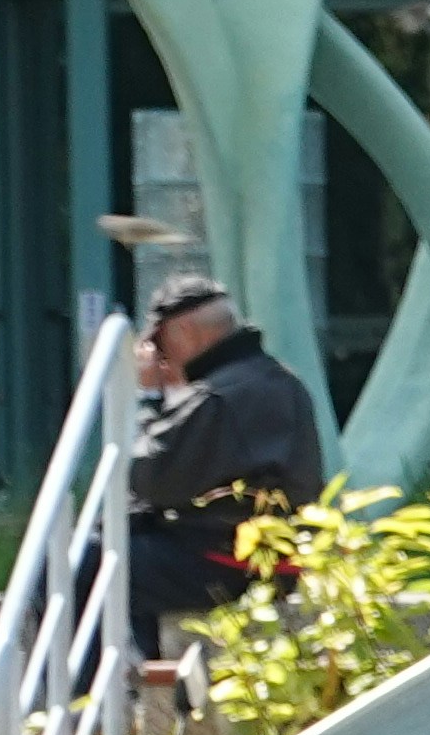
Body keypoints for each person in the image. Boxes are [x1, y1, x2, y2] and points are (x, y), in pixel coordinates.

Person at [122, 279, 321, 653]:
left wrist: (149, 396)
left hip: (229, 563)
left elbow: (149, 477)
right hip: (269, 559)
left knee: (85, 563)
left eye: (160, 345)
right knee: (124, 548)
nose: (160, 360)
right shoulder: (278, 380)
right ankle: (134, 680)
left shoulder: (218, 397)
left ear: (185, 332)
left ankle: (91, 699)